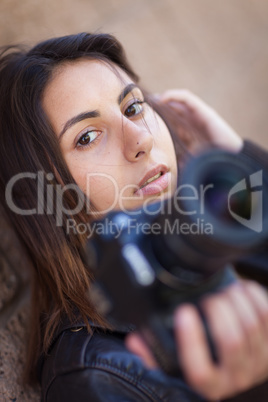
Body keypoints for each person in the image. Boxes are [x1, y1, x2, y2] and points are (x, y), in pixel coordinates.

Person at [0, 32, 268, 402]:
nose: (139, 139)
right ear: (47, 194)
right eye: (88, 136)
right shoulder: (95, 379)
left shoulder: (228, 239)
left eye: (132, 108)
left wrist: (245, 164)